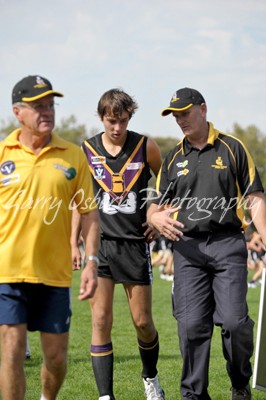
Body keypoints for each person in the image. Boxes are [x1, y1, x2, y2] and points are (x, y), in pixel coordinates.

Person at [147, 87, 266, 400]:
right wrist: (154, 218)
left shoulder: (232, 148)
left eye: (185, 113)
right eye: (175, 116)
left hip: (228, 244)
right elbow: (156, 206)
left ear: (203, 109)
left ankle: (240, 382)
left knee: (234, 323)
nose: (180, 120)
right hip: (187, 250)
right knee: (190, 326)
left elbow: (254, 198)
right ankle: (193, 394)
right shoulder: (173, 158)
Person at [0, 75, 100, 400]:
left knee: (56, 359)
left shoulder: (72, 156)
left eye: (50, 105)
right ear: (18, 111)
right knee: (12, 349)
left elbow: (89, 213)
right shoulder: (3, 153)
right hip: (8, 273)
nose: (47, 111)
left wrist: (91, 262)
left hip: (55, 276)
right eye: (38, 105)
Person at [71, 88, 164, 400]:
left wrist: (156, 211)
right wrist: (74, 243)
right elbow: (79, 201)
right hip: (100, 248)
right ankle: (105, 396)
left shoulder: (145, 145)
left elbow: (166, 184)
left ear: (130, 117)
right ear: (101, 118)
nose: (117, 127)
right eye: (111, 121)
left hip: (135, 245)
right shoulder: (86, 149)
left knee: (143, 323)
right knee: (100, 321)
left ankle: (150, 377)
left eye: (122, 120)